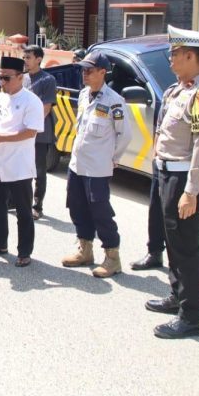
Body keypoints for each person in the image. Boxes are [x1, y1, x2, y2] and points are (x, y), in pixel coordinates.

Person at [145, 26, 199, 339]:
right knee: (174, 243)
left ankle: (191, 317)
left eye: (175, 54)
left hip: (183, 179)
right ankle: (178, 295)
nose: (170, 59)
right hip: (167, 174)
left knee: (187, 247)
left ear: (191, 56)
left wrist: (192, 190)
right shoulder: (177, 90)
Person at [130, 96, 199, 271]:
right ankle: (154, 252)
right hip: (162, 167)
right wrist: (156, 158)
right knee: (156, 211)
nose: (172, 67)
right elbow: (160, 129)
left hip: (183, 172)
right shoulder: (171, 93)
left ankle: (183, 276)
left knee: (180, 227)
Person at [61, 51, 132, 278]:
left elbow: (125, 135)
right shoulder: (83, 95)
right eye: (83, 70)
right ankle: (85, 249)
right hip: (78, 164)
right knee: (76, 206)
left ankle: (112, 257)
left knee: (100, 211)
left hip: (98, 167)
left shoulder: (114, 101)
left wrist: (113, 158)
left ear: (103, 72)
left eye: (89, 70)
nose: (85, 74)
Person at [0, 56, 43, 268]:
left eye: (6, 78)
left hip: (19, 166)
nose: (1, 83)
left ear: (20, 77)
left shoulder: (32, 101)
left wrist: (0, 138)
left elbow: (31, 131)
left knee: (23, 212)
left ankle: (24, 251)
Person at [22, 45, 57, 220]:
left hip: (40, 133)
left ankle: (37, 205)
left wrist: (31, 129)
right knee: (22, 168)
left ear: (38, 59)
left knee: (39, 170)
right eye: (24, 57)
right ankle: (18, 200)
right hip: (23, 132)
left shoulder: (47, 80)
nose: (25, 60)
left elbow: (46, 108)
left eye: (28, 57)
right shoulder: (23, 78)